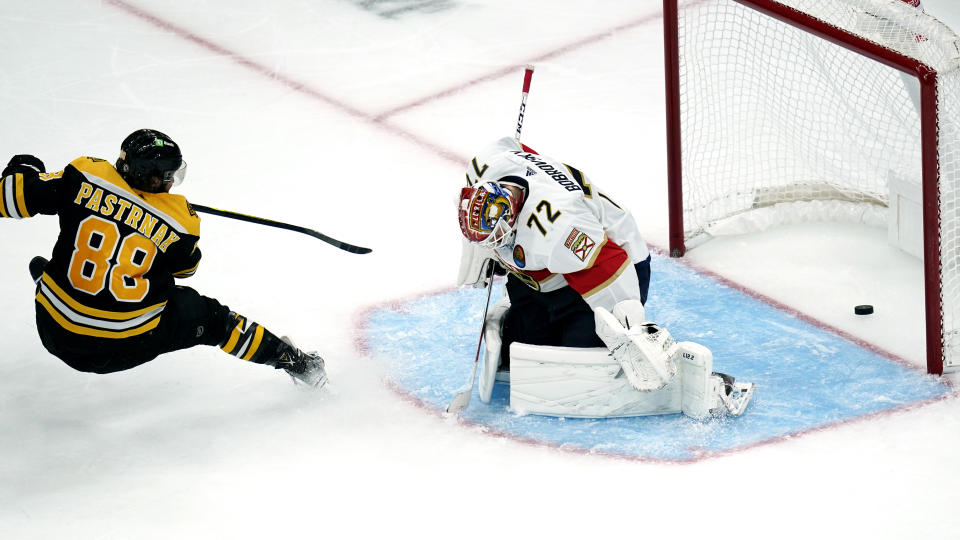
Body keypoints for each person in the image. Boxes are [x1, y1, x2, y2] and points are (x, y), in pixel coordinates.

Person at [1, 129, 327, 387]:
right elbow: (187, 269)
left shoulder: (85, 174)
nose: (172, 181)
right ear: (154, 177)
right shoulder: (180, 220)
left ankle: (60, 288)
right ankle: (298, 365)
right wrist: (173, 231)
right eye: (169, 174)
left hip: (54, 329)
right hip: (128, 344)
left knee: (67, 264)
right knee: (214, 320)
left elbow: (7, 200)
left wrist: (24, 166)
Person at [456, 137, 755, 418]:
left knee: (575, 368)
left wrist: (631, 334)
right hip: (551, 272)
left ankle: (693, 376)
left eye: (497, 237)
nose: (494, 244)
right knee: (524, 346)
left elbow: (610, 267)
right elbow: (516, 147)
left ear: (513, 215)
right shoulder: (487, 167)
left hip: (615, 264)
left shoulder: (559, 228)